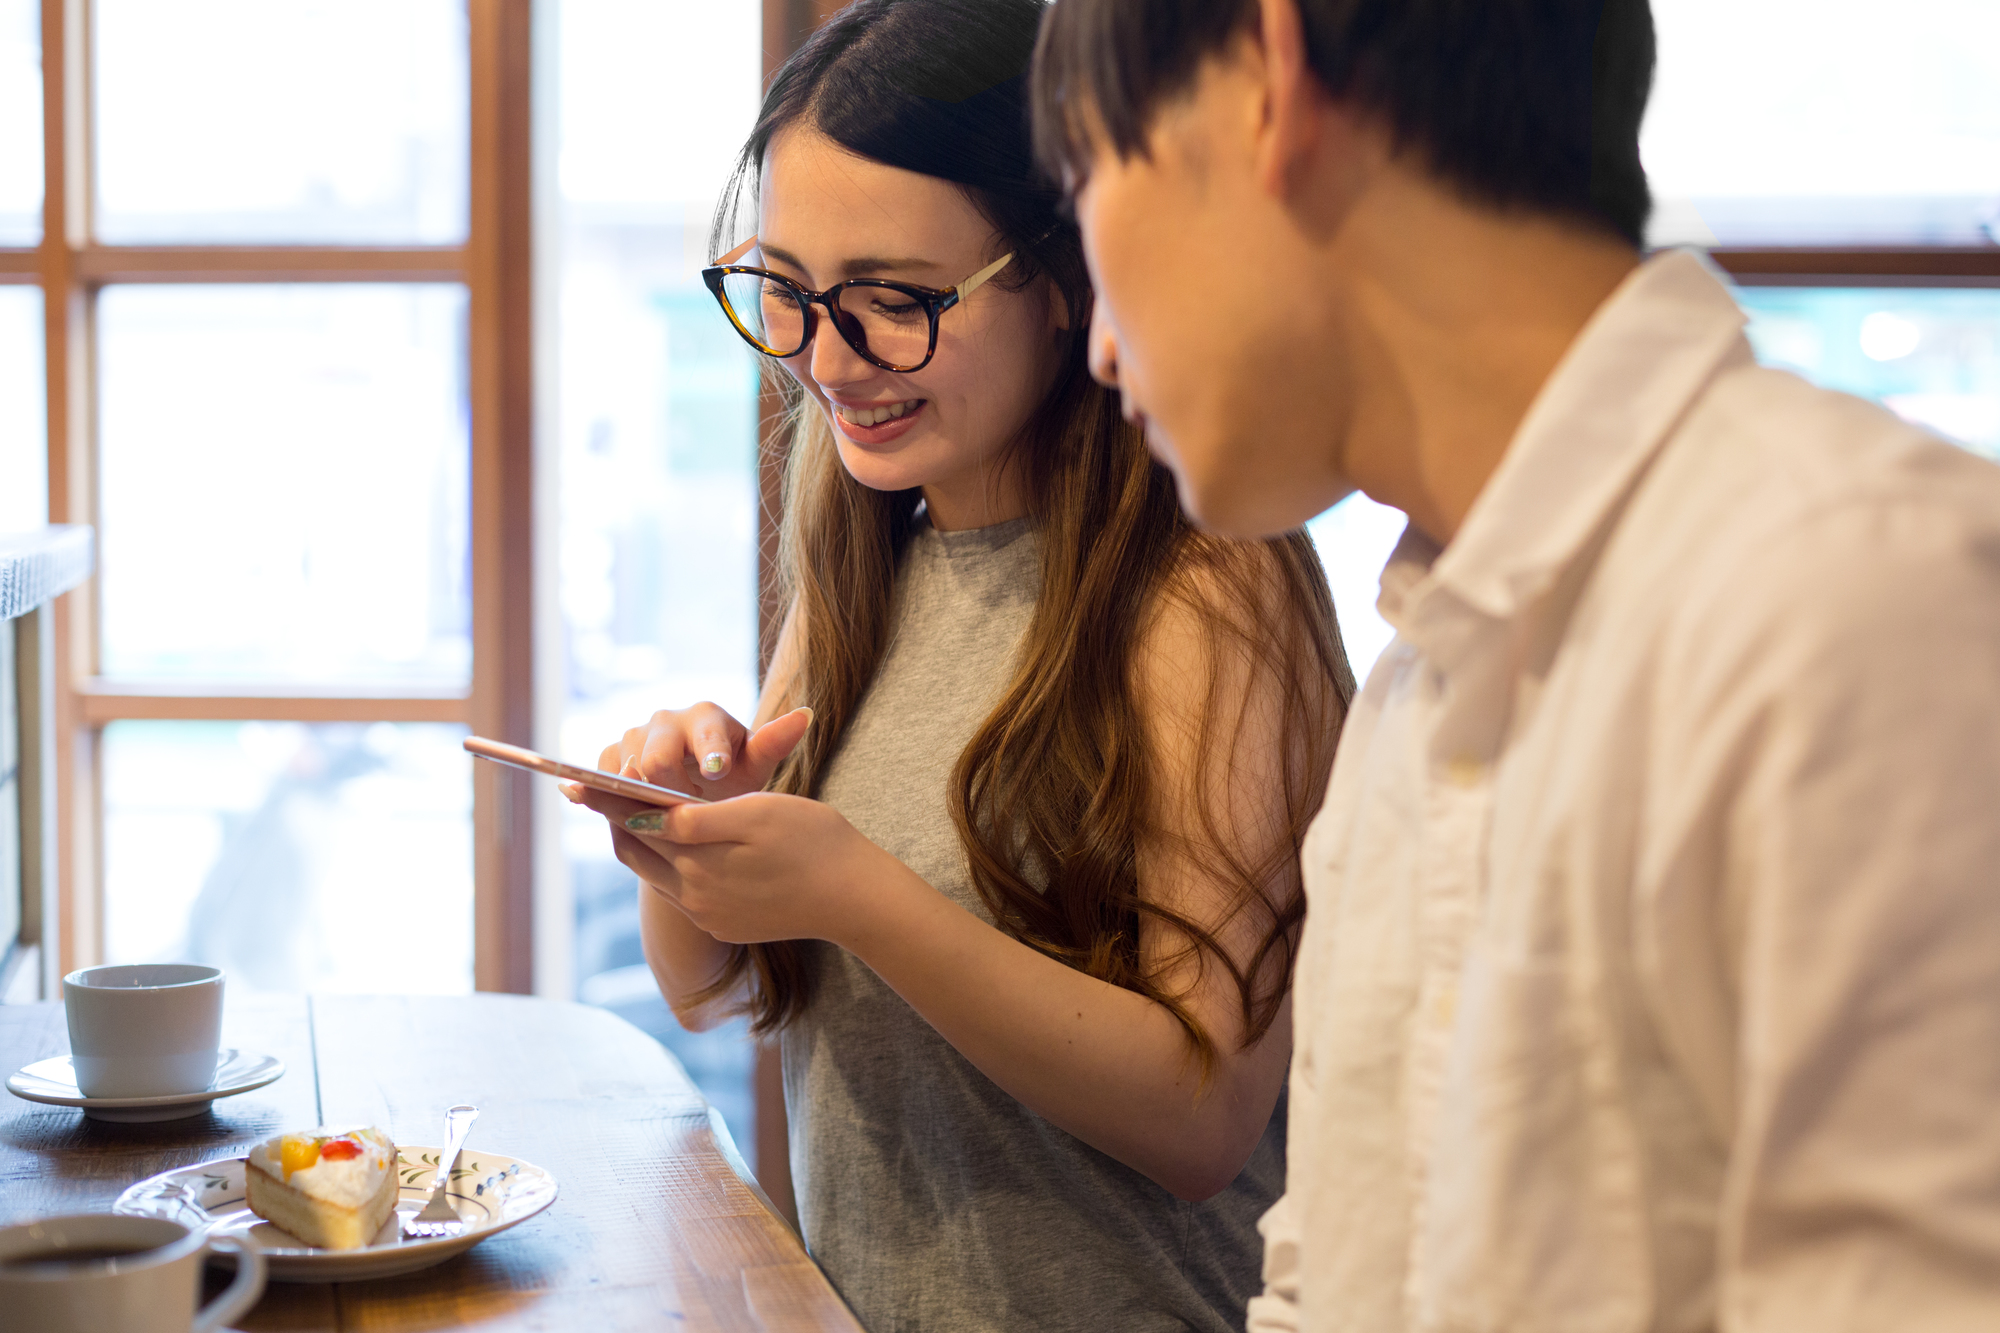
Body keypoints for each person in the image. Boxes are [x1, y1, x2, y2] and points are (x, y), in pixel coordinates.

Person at [1032, 0, 2000, 1329]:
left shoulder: (1854, 598)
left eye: (1085, 175)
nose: (1095, 343)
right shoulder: (1412, 694)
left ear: (1268, 81)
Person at [569, 2, 1354, 1330]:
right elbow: (717, 987)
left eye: (892, 301)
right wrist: (690, 840)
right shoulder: (867, 531)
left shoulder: (1205, 579)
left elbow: (1202, 1112)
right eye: (789, 293)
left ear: (1060, 283)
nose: (827, 360)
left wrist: (853, 888)